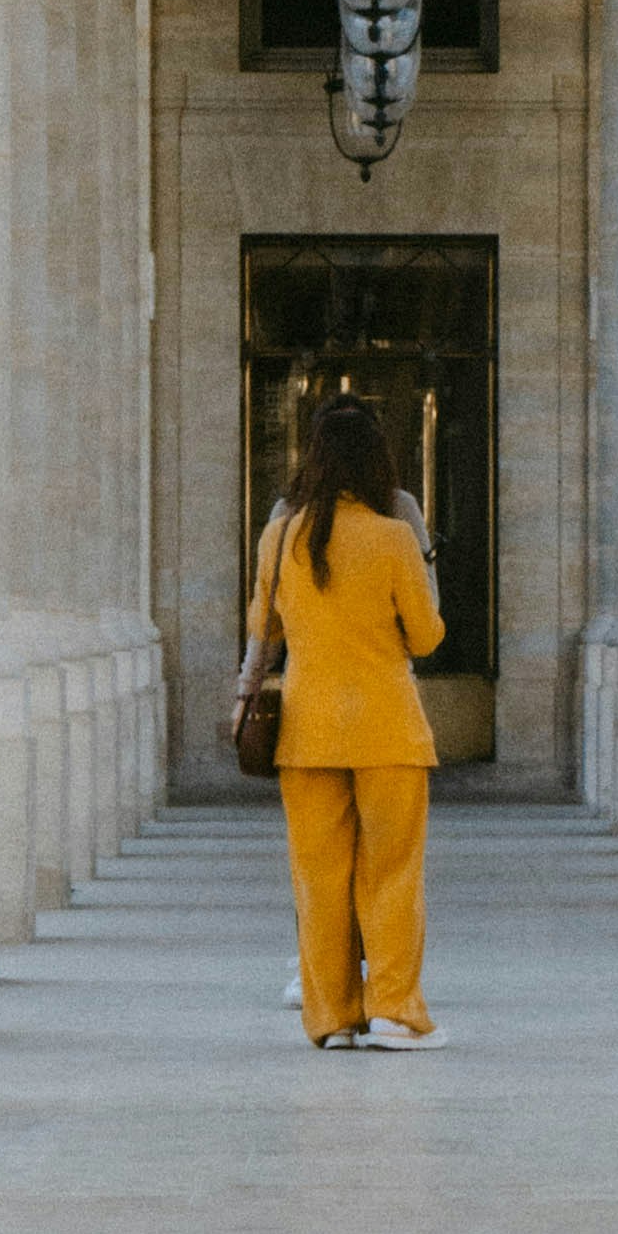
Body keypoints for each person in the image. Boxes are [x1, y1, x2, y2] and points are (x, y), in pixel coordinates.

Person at [236, 394, 448, 1051]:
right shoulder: (392, 535)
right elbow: (425, 636)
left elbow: (260, 627)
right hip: (387, 725)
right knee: (390, 874)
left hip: (307, 730)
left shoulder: (279, 535)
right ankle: (393, 1010)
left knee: (318, 876)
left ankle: (329, 1017)